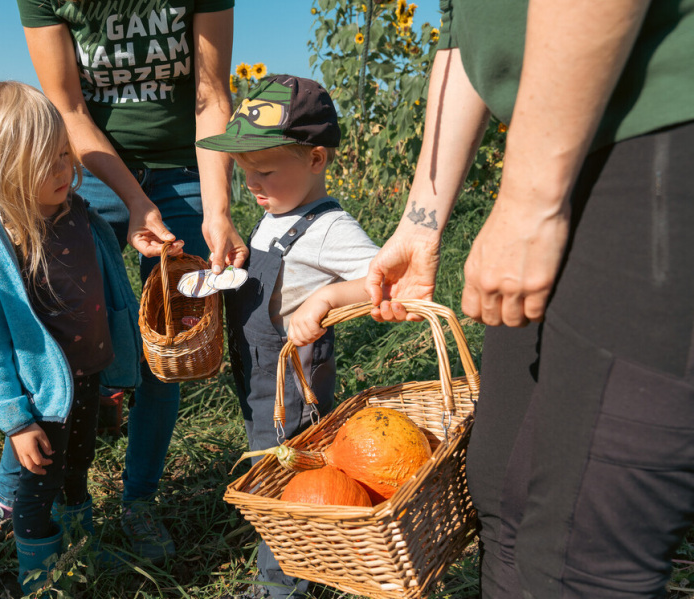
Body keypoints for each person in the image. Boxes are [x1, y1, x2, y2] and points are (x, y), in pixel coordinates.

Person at [362, 1, 694, 598]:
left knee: (578, 546)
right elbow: (466, 37)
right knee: (499, 490)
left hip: (655, 138)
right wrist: (421, 221)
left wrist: (530, 199)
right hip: (553, 152)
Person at [0, 0, 245, 571]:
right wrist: (131, 198)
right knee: (53, 342)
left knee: (167, 343)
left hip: (185, 168)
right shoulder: (19, 217)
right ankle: (13, 501)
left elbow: (210, 96)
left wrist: (216, 212)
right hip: (86, 162)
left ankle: (139, 499)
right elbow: (67, 106)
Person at [0, 81, 141, 593]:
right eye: (44, 163)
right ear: (4, 170)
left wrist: (119, 356)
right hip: (41, 394)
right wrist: (15, 417)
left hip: (90, 373)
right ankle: (42, 575)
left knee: (80, 466)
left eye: (62, 155)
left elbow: (108, 287)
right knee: (35, 487)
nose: (64, 170)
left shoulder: (81, 214)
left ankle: (80, 546)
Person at [196, 74, 380, 599]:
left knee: (290, 483)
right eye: (243, 173)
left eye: (266, 171)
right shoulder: (276, 212)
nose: (252, 186)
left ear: (316, 159)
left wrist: (325, 300)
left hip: (295, 383)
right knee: (270, 467)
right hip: (260, 374)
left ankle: (282, 586)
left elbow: (385, 280)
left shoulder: (328, 228)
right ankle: (292, 571)